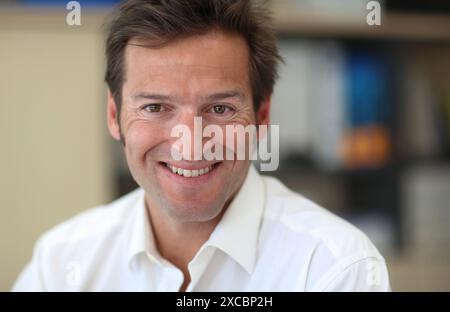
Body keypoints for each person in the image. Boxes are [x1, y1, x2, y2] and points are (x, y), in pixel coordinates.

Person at [13, 0, 390, 291]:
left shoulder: (334, 268)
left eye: (220, 108)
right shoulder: (61, 263)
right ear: (114, 116)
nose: (191, 144)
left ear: (261, 117)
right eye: (156, 107)